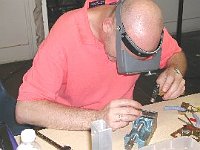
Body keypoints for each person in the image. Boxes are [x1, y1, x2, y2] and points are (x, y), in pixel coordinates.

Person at [15, 0, 187, 131]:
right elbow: (25, 109)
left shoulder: (140, 25)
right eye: (124, 56)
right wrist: (98, 118)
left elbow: (176, 54)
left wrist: (175, 70)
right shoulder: (66, 32)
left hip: (121, 124)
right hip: (73, 128)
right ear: (108, 25)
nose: (129, 66)